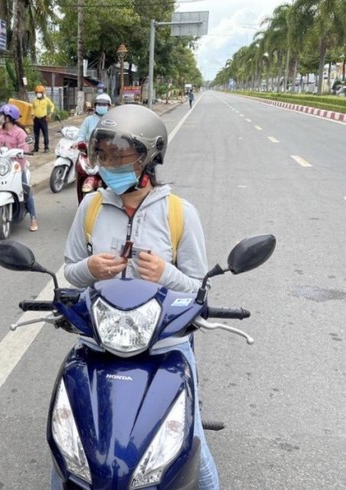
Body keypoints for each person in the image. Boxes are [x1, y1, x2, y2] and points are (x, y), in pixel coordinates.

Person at [61, 105, 220, 489]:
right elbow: (69, 269)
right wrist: (91, 271)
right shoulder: (91, 206)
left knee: (193, 443)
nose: (109, 164)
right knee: (69, 449)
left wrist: (166, 274)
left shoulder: (180, 214)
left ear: (149, 158)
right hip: (100, 340)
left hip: (166, 344)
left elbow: (200, 289)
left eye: (120, 155)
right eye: (104, 154)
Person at [0, 103, 38, 232]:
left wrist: (19, 158)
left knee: (26, 190)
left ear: (9, 117)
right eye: (0, 115)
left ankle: (33, 217)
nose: (0, 117)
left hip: (16, 167)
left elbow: (25, 148)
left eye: (3, 115)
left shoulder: (19, 133)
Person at [74, 93, 112, 203]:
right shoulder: (88, 120)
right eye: (99, 104)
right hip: (89, 153)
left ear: (109, 106)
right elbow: (81, 134)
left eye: (104, 104)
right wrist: (79, 143)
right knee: (80, 170)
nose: (102, 106)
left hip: (107, 154)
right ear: (95, 106)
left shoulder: (112, 119)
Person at [31, 84, 54, 153]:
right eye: (37, 93)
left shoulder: (46, 100)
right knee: (36, 134)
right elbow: (32, 108)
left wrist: (50, 114)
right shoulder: (34, 100)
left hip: (43, 119)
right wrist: (32, 114)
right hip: (36, 119)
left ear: (42, 93)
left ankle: (46, 147)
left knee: (45, 133)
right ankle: (36, 147)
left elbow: (52, 105)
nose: (38, 94)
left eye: (40, 93)